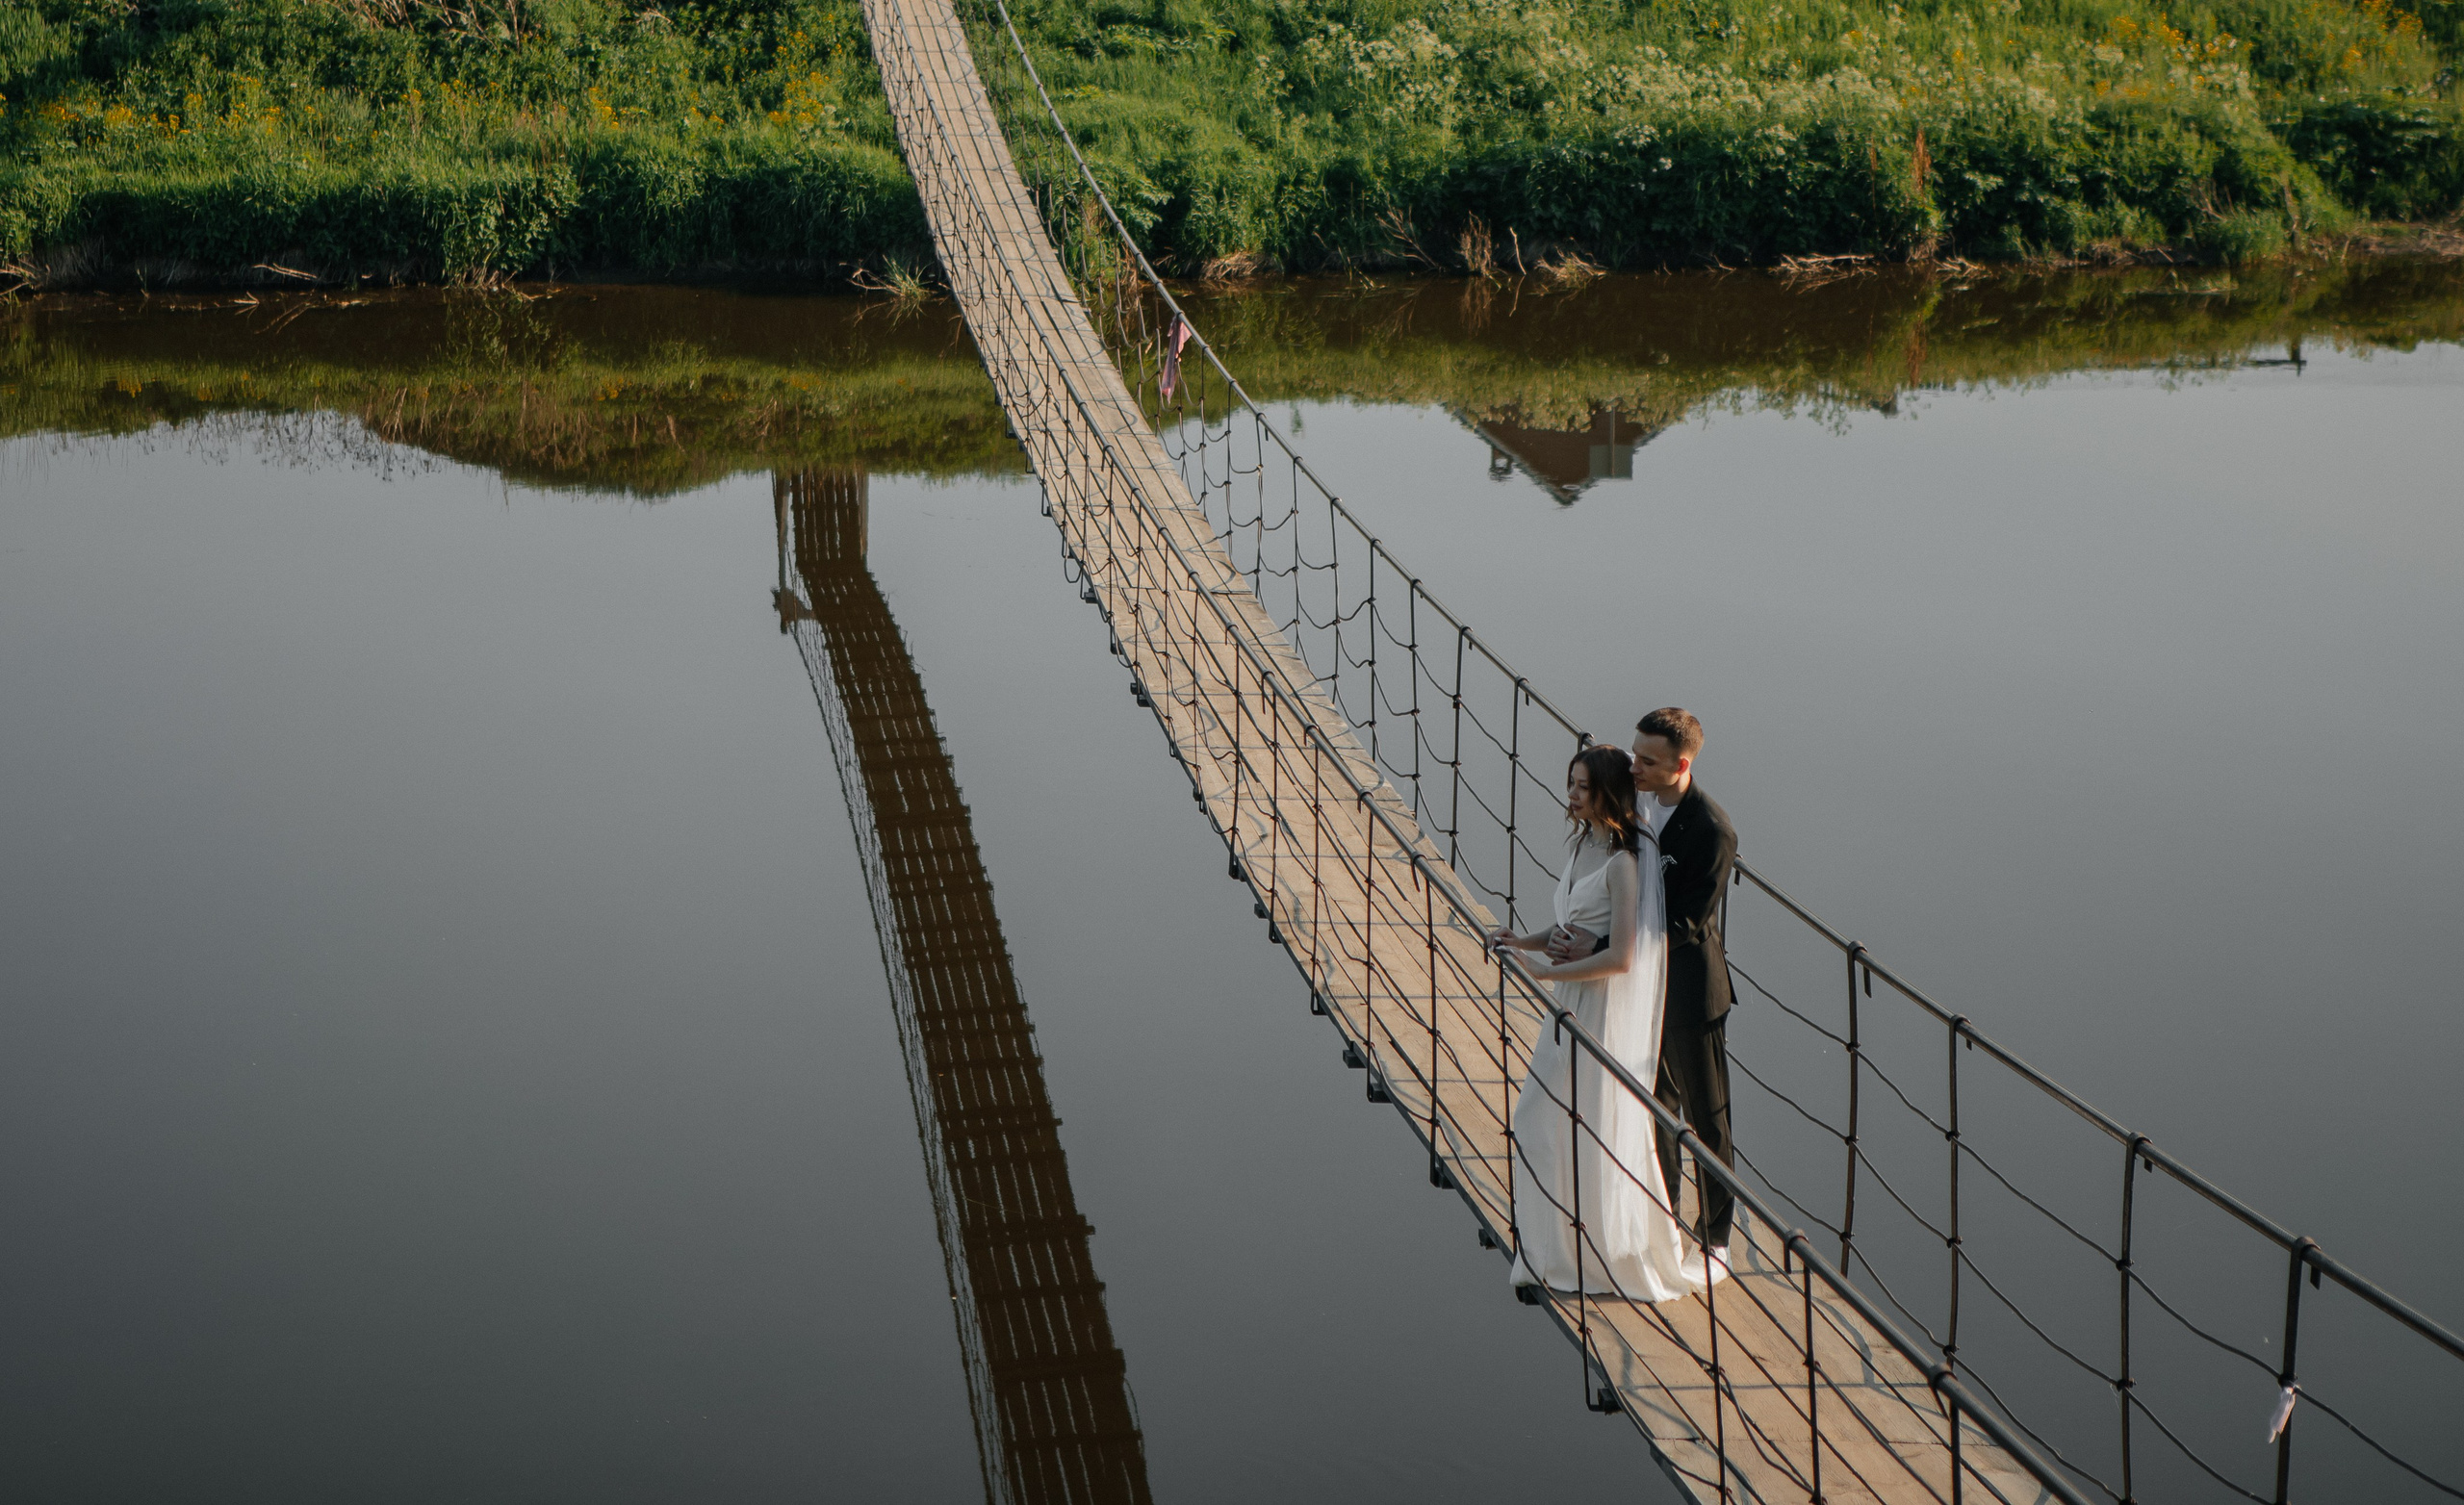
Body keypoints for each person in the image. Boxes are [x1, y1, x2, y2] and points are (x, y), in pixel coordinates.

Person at [1490, 745, 1713, 1302]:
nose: (1571, 795)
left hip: (1597, 1009)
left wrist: (1544, 972)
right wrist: (1524, 941)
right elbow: (1571, 924)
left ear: (1606, 793)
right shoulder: (1581, 843)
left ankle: (1590, 1255)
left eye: (1583, 787)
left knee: (1572, 1119)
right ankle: (1556, 1250)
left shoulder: (1624, 863)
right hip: (1569, 1000)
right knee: (1550, 1120)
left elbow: (1622, 957)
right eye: (1570, 783)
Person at [1550, 707, 1739, 1257]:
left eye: (1648, 761)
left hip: (1688, 994)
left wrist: (1601, 949)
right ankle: (1664, 1218)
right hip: (1636, 989)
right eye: (1634, 755)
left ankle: (1716, 1237)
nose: (1634, 767)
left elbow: (1685, 924)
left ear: (1681, 765)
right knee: (1655, 1107)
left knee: (1707, 1120)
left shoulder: (1712, 830)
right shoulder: (1639, 800)